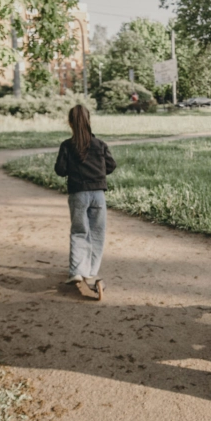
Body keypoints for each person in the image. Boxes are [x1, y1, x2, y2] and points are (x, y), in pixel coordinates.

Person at [54, 104, 116, 299]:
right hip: (98, 194)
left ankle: (76, 271)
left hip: (78, 194)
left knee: (79, 231)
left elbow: (60, 170)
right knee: (97, 233)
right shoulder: (100, 144)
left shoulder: (67, 145)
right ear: (89, 121)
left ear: (70, 122)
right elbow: (111, 166)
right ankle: (90, 271)